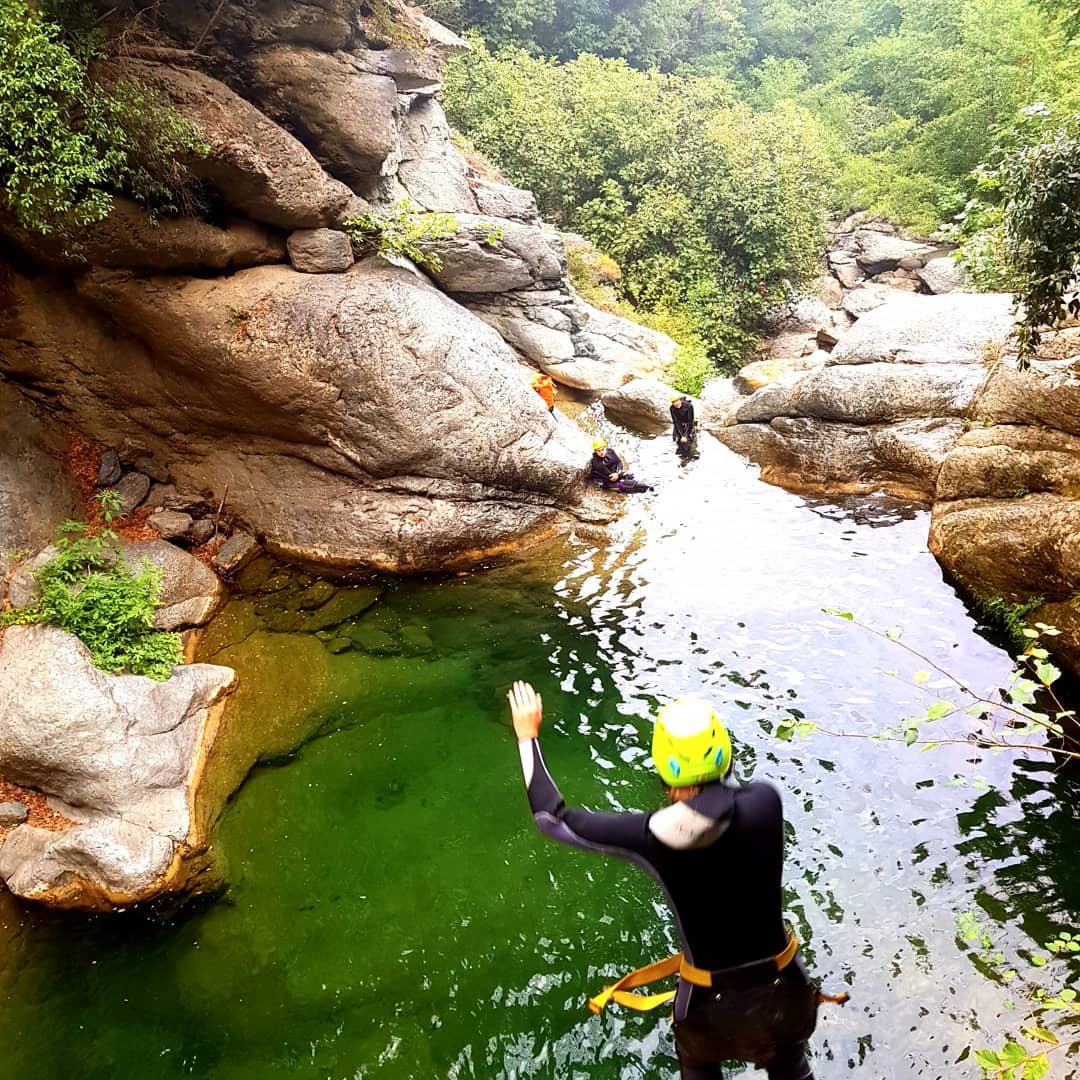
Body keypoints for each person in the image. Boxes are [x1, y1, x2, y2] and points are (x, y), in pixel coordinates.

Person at [507, 681, 830, 1080]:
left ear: (664, 770)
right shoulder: (766, 801)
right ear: (725, 753)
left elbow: (551, 817)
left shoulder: (652, 838)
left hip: (708, 1012)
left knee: (698, 1061)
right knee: (790, 1065)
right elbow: (725, 804)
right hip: (786, 994)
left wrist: (527, 736)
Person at [670, 393, 696, 459]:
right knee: (676, 439)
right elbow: (676, 422)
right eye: (674, 402)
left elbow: (690, 421)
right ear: (672, 403)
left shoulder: (689, 406)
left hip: (688, 421)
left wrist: (685, 435)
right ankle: (680, 455)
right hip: (679, 422)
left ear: (680, 400)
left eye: (677, 401)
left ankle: (687, 456)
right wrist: (681, 435)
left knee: (687, 440)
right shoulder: (672, 408)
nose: (676, 403)